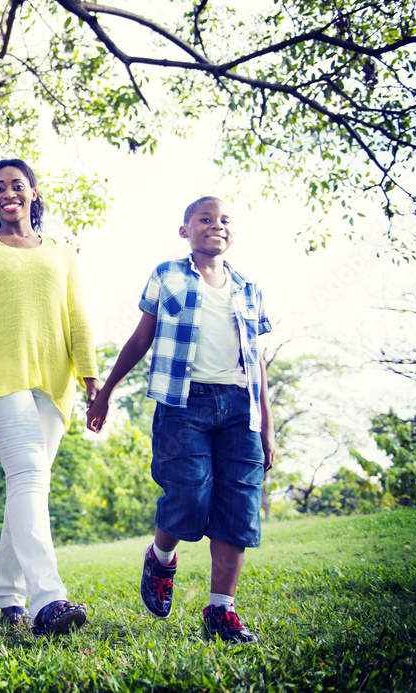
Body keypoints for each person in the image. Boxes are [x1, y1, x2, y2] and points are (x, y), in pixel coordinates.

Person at [87, 196, 275, 645]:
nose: (216, 225)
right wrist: (107, 390)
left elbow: (258, 362)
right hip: (182, 404)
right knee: (189, 493)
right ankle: (161, 557)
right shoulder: (167, 274)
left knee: (238, 510)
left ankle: (220, 610)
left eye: (225, 219)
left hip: (239, 408)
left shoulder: (248, 287)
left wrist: (267, 425)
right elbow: (141, 338)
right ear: (185, 230)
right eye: (205, 219)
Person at [0, 159, 100, 637]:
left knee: (27, 484)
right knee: (31, 477)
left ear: (34, 191)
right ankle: (49, 600)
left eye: (16, 185)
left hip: (56, 383)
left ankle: (7, 595)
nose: (7, 193)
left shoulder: (61, 252)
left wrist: (92, 379)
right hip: (1, 378)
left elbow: (77, 318)